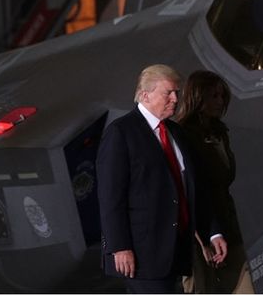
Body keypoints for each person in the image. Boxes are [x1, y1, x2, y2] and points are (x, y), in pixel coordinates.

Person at [97, 64, 228, 293]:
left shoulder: (176, 133)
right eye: (168, 93)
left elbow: (194, 189)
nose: (175, 99)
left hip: (175, 251)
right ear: (145, 95)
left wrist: (213, 231)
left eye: (177, 93)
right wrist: (119, 246)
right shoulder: (121, 133)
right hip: (141, 254)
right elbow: (110, 197)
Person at [176, 70, 254, 294]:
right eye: (213, 96)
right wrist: (206, 238)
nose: (220, 102)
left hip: (228, 222)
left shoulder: (220, 133)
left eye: (222, 96)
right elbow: (189, 190)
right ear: (197, 97)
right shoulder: (183, 135)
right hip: (200, 231)